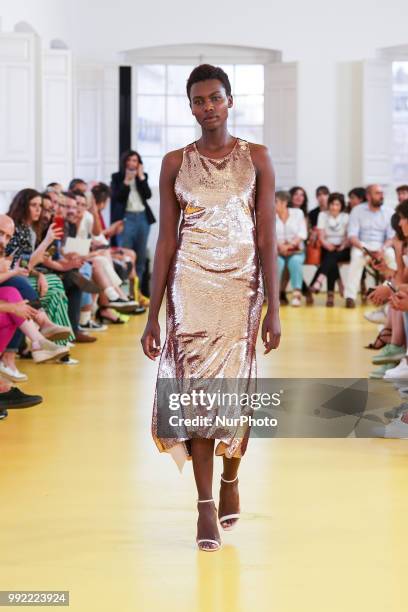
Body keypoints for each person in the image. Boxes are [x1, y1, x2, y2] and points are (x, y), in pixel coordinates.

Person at [141, 64, 280, 552]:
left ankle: (230, 477)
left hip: (242, 289)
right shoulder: (175, 162)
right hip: (190, 286)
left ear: (229, 100)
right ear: (191, 107)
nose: (207, 107)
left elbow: (266, 237)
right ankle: (204, 506)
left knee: (236, 393)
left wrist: (275, 309)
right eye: (198, 101)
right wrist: (152, 313)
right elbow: (164, 242)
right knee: (199, 394)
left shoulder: (257, 157)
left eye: (214, 98)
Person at [344, 184, 395, 308]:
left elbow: (391, 237)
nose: (381, 196)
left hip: (382, 246)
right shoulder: (357, 211)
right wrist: (364, 248)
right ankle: (350, 297)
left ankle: (389, 293)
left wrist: (382, 250)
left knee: (392, 256)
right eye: (377, 193)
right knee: (356, 257)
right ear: (368, 196)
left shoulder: (389, 212)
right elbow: (352, 236)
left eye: (382, 193)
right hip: (362, 246)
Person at [110, 150, 156, 285]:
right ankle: (123, 291)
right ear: (124, 162)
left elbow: (148, 195)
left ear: (139, 163)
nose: (131, 163)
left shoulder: (143, 176)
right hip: (126, 219)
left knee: (140, 257)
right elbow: (118, 197)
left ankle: (137, 292)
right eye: (129, 160)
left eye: (135, 160)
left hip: (142, 219)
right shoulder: (117, 177)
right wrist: (126, 181)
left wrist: (141, 177)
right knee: (125, 257)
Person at [310, 192, 350, 306]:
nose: (334, 207)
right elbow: (321, 237)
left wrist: (342, 245)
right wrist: (327, 244)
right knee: (330, 257)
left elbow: (348, 237)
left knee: (331, 257)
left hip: (343, 248)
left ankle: (319, 281)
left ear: (341, 205)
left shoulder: (346, 217)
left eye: (337, 204)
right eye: (332, 204)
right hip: (327, 247)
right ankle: (339, 285)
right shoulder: (322, 215)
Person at [275, 191, 307, 306]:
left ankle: (297, 294)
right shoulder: (270, 216)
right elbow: (268, 235)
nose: (273, 204)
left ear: (284, 203)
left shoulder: (298, 213)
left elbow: (302, 234)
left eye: (276, 202)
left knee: (295, 262)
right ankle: (275, 295)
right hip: (277, 251)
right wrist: (279, 246)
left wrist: (289, 246)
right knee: (278, 263)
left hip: (295, 250)